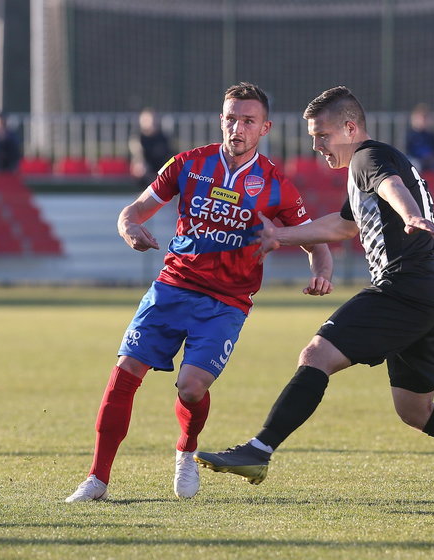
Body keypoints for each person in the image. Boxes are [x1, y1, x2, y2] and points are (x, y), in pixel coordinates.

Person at [195, 86, 434, 505]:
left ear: (349, 127)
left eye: (322, 135)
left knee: (315, 356)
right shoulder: (367, 165)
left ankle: (259, 450)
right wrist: (280, 235)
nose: (317, 145)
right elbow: (344, 226)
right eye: (313, 137)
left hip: (402, 289)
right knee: (415, 411)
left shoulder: (367, 158)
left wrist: (410, 213)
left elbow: (391, 185)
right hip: (431, 296)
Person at [65, 82, 334, 502]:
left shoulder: (276, 184)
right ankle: (97, 479)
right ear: (220, 120)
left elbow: (315, 240)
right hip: (172, 286)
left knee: (192, 388)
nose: (237, 128)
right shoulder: (189, 164)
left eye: (248, 121)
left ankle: (186, 452)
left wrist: (322, 271)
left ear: (265, 127)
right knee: (124, 374)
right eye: (231, 118)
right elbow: (133, 212)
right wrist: (131, 229)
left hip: (226, 302)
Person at [129, 108, 174, 187]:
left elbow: (169, 155)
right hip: (145, 171)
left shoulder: (163, 137)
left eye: (153, 119)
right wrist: (140, 164)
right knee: (141, 168)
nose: (151, 122)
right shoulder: (137, 138)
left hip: (161, 170)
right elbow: (138, 154)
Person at [405, 103, 434, 172]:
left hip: (429, 160)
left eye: (425, 118)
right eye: (420, 118)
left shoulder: (431, 135)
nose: (423, 121)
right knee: (416, 166)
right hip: (415, 160)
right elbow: (407, 151)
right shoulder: (410, 135)